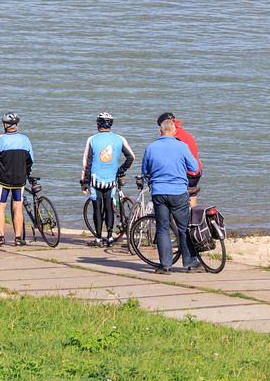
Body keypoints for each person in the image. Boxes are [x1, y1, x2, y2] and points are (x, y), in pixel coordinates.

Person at [140, 111, 202, 272]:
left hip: (159, 193)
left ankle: (165, 266)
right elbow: (194, 168)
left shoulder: (151, 148)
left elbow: (145, 170)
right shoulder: (182, 146)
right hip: (178, 193)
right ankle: (190, 263)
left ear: (159, 132)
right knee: (184, 228)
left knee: (162, 229)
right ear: (174, 132)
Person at [81, 113, 136, 247]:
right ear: (111, 125)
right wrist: (120, 170)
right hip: (111, 180)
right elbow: (131, 157)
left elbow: (86, 163)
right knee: (109, 207)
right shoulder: (119, 139)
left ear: (97, 124)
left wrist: (84, 182)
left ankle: (99, 238)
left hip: (95, 180)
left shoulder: (92, 139)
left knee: (97, 208)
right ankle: (110, 237)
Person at [0, 113, 33, 247]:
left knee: (0, 207)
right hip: (20, 179)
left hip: (3, 179)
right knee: (18, 207)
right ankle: (18, 238)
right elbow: (30, 160)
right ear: (17, 125)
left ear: (5, 125)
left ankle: (1, 237)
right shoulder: (25, 140)